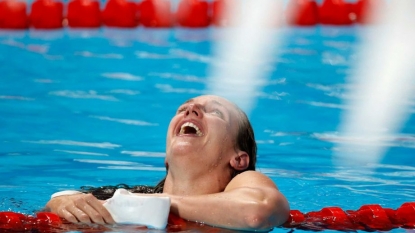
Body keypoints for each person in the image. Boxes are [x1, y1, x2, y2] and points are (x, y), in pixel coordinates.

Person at [45, 95, 290, 231]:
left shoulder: (247, 181)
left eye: (216, 113)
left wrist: (153, 204)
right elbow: (53, 208)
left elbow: (257, 212)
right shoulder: (134, 196)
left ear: (239, 159)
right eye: (184, 108)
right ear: (166, 158)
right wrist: (62, 203)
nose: (191, 109)